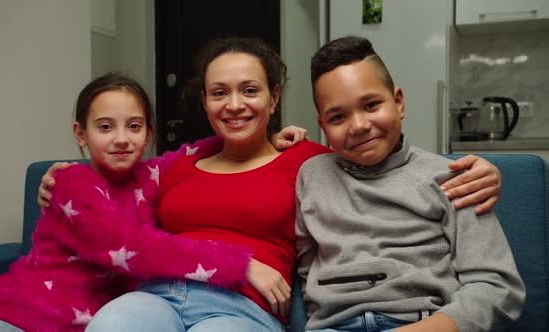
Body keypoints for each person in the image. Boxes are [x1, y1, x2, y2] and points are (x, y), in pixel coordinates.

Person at [82, 37, 505, 332]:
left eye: (249, 90)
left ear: (274, 98)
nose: (233, 105)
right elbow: (114, 191)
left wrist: (484, 170)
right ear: (204, 102)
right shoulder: (175, 167)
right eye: (218, 93)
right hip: (158, 294)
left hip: (240, 308)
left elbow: (384, 166)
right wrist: (63, 178)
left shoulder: (308, 162)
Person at [0, 72, 304, 332]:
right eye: (105, 127)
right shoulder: (70, 183)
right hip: (19, 315)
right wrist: (239, 264)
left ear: (149, 131)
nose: (122, 139)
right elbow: (133, 247)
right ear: (81, 133)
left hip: (90, 320)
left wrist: (266, 138)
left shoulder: (152, 175)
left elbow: (204, 148)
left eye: (134, 126)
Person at [295, 35, 525, 332]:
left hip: (424, 322)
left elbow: (497, 288)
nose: (359, 125)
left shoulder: (454, 177)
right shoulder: (311, 175)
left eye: (371, 105)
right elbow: (306, 268)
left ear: (398, 102)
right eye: (338, 117)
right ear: (322, 126)